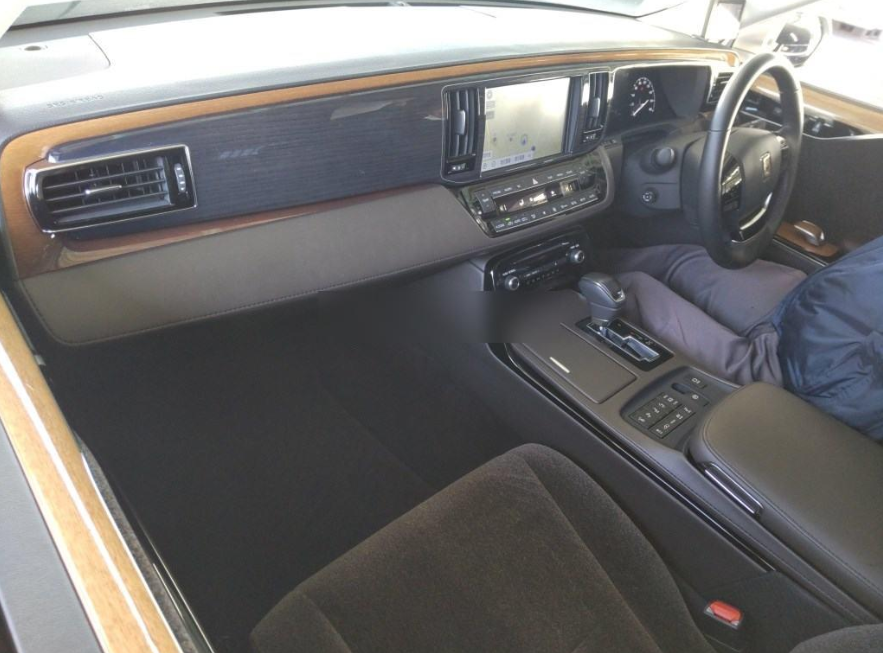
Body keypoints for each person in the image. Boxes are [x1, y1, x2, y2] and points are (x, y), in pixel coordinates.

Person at [596, 236, 883, 441]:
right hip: (811, 306)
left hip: (811, 378)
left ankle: (561, 290)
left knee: (632, 289)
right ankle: (587, 255)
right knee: (677, 260)